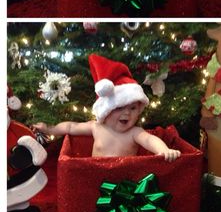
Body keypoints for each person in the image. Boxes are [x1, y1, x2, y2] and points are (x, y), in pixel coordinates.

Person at [33, 54, 181, 161]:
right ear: (106, 109)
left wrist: (163, 150)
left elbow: (149, 140)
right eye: (119, 108)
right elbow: (71, 127)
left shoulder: (135, 132)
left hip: (124, 180)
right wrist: (49, 129)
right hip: (97, 176)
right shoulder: (97, 127)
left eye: (133, 108)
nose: (127, 113)